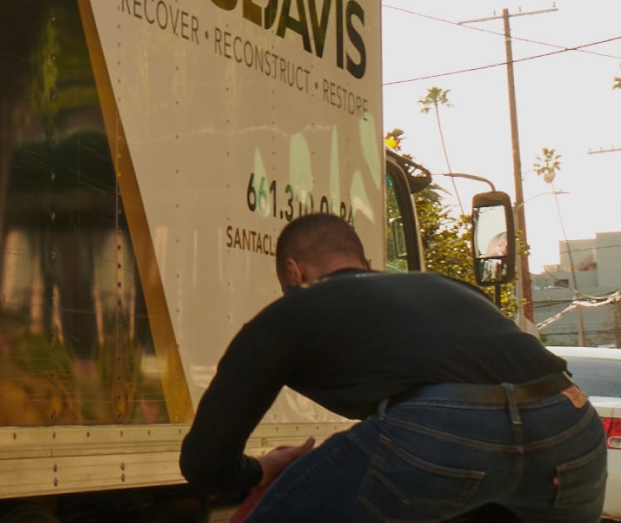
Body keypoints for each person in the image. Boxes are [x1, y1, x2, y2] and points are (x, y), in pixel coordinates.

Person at [182, 213, 605, 522]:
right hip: (570, 420)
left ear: (294, 273)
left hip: (443, 430)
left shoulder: (291, 311)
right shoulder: (445, 287)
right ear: (366, 265)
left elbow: (204, 464)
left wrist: (261, 469)